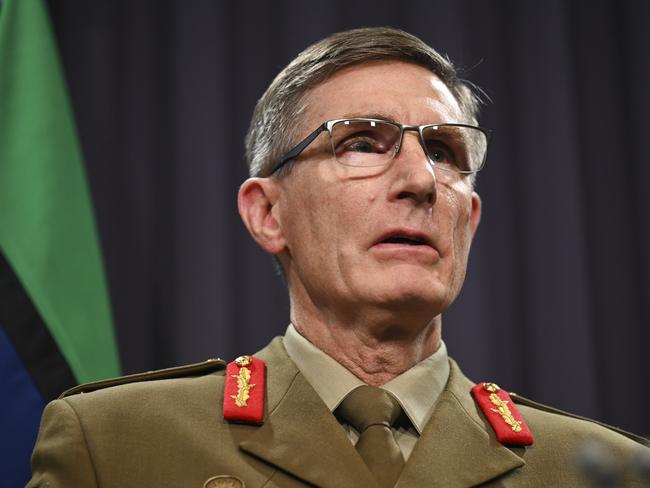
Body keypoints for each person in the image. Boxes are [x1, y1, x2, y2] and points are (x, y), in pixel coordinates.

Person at [28, 27, 647, 488]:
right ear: (268, 214)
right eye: (359, 144)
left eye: (443, 151)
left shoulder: (610, 471)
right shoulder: (112, 446)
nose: (421, 181)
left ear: (470, 219)